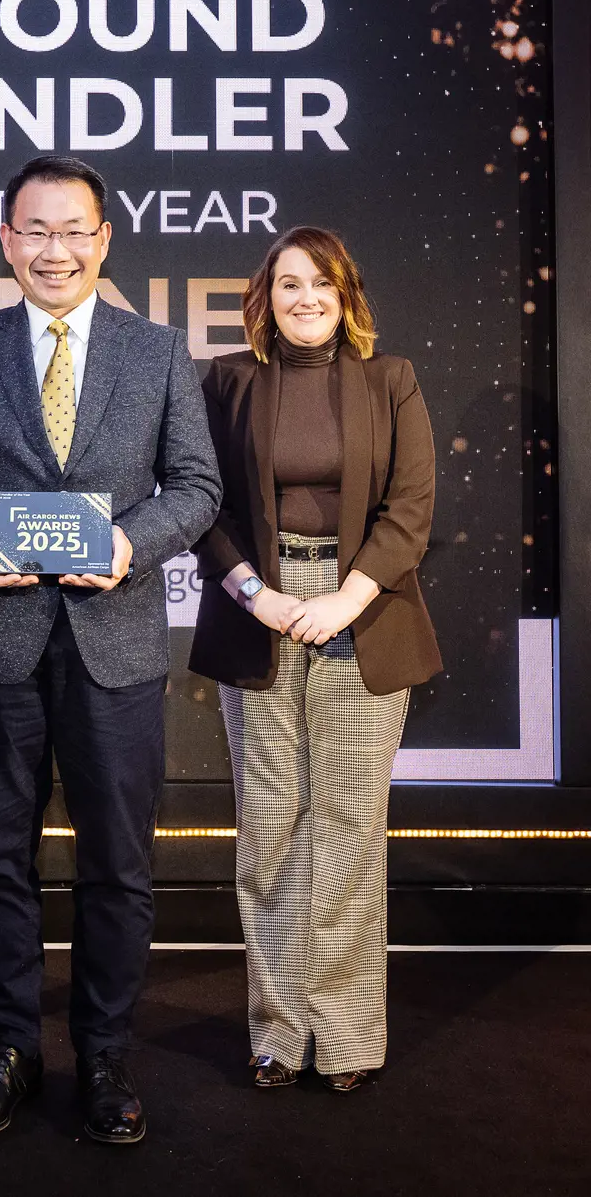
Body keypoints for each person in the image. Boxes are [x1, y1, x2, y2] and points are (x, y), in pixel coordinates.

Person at [0, 154, 221, 1145]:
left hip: (116, 642)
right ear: (6, 240)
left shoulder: (158, 351)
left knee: (118, 866)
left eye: (73, 229)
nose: (55, 248)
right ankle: (7, 1049)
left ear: (103, 238)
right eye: (34, 230)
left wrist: (132, 541)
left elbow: (196, 486)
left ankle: (103, 1053)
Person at [189, 226, 441, 1093]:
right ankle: (276, 1031)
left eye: (322, 286)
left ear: (346, 297)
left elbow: (411, 508)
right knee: (270, 831)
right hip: (256, 607)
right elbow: (201, 502)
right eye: (289, 284)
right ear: (265, 296)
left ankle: (345, 1036)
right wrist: (256, 592)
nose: (306, 299)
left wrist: (344, 596)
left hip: (360, 606)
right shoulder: (226, 379)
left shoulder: (389, 381)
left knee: (345, 829)